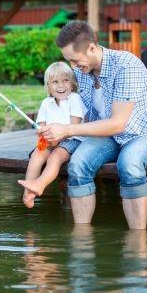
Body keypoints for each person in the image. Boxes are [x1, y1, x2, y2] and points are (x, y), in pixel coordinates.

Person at [39, 21, 147, 229]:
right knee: (78, 164)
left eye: (74, 60)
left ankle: (137, 241)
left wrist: (67, 130)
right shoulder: (83, 70)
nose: (73, 67)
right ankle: (82, 240)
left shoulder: (126, 65)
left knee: (129, 164)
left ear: (91, 48)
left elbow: (118, 124)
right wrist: (51, 129)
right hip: (109, 136)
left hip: (145, 134)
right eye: (69, 61)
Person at [18, 61, 87, 208]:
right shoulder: (46, 103)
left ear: (72, 84)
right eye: (55, 82)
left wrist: (58, 138)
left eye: (65, 81)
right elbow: (41, 126)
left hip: (72, 139)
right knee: (37, 154)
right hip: (51, 140)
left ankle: (40, 184)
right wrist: (44, 135)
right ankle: (28, 191)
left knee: (55, 157)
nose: (60, 86)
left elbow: (73, 126)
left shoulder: (75, 99)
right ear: (48, 86)